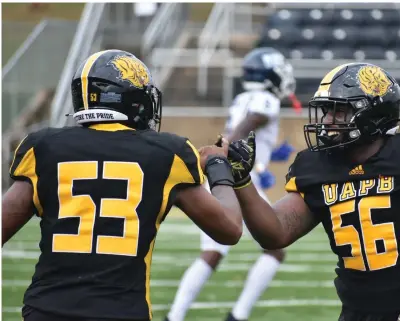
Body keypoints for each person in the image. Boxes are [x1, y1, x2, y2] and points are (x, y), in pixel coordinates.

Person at [2, 49, 246, 321]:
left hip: (45, 311)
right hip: (122, 311)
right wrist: (218, 167)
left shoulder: (44, 148)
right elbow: (230, 229)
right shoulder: (167, 154)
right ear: (129, 100)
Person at [224, 62, 400, 321]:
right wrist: (242, 180)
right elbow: (275, 233)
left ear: (373, 114)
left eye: (339, 111)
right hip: (357, 313)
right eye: (326, 111)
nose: (328, 120)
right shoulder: (317, 167)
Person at [165, 47, 299, 321]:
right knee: (274, 248)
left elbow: (248, 135)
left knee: (212, 253)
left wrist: (268, 155)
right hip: (237, 181)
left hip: (221, 176)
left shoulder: (242, 97)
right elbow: (250, 124)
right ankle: (238, 316)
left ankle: (174, 317)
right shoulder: (265, 100)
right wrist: (227, 150)